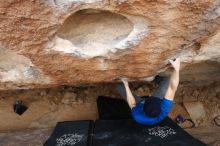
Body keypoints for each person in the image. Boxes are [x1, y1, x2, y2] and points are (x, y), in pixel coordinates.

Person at [117, 58, 180, 125]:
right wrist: (177, 69)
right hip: (157, 98)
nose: (149, 97)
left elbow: (132, 104)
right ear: (159, 106)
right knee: (169, 79)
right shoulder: (164, 108)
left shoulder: (138, 116)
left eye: (148, 100)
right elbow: (172, 88)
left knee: (120, 87)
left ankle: (125, 85)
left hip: (140, 103)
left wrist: (126, 84)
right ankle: (158, 79)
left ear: (143, 109)